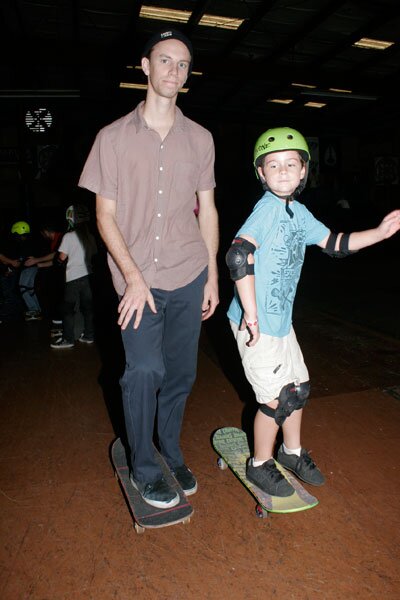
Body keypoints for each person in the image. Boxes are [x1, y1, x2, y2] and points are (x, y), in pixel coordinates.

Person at [78, 28, 219, 509]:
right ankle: (143, 465)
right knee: (143, 371)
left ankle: (171, 449)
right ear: (145, 66)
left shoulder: (200, 139)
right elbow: (103, 216)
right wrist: (134, 278)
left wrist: (213, 276)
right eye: (165, 61)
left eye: (182, 65)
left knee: (180, 374)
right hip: (136, 281)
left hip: (188, 272)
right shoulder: (112, 139)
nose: (173, 72)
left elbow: (209, 210)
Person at [226, 127, 400, 497]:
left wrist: (381, 233)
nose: (284, 171)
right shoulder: (268, 209)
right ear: (261, 173)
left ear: (304, 170)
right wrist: (252, 316)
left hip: (280, 322)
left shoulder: (298, 212)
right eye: (274, 165)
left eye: (292, 163)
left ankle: (290, 453)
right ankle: (260, 463)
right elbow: (239, 254)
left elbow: (334, 244)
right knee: (275, 400)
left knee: (299, 389)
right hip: (256, 324)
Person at [50, 204, 97, 349]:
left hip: (73, 278)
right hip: (88, 277)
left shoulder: (69, 236)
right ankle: (89, 335)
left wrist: (57, 263)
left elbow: (61, 258)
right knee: (87, 309)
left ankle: (68, 340)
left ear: (71, 218)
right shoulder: (90, 236)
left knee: (68, 310)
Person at [24, 221, 65, 331]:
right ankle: (58, 322)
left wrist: (37, 260)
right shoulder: (56, 240)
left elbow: (57, 254)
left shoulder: (61, 237)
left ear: (45, 232)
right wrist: (38, 264)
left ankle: (61, 324)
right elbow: (56, 260)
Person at [2, 221, 43, 321]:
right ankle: (38, 310)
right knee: (29, 289)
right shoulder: (30, 241)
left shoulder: (25, 244)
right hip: (33, 268)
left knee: (23, 288)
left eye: (15, 235)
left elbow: (22, 260)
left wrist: (11, 267)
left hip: (28, 269)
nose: (15, 237)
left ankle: (34, 310)